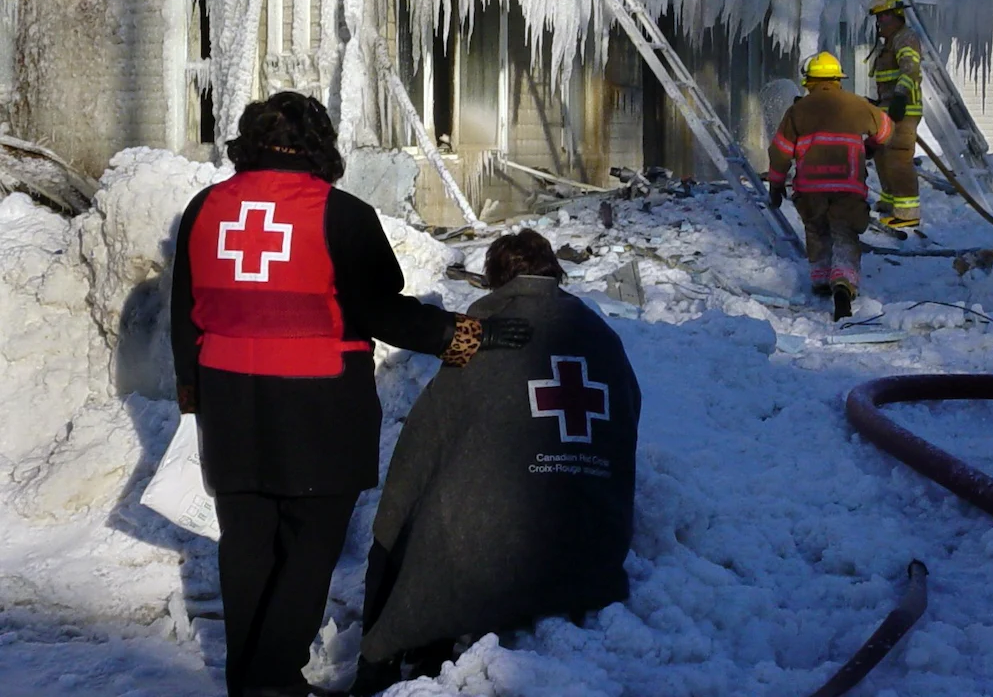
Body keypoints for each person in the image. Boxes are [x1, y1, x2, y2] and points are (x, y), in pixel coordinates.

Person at [170, 91, 533, 697]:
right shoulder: (341, 214)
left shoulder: (205, 207)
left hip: (230, 401)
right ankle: (273, 682)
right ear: (319, 145)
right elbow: (379, 311)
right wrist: (464, 335)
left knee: (247, 544)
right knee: (309, 547)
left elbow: (186, 312)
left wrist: (194, 391)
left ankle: (248, 681)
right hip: (319, 406)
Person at [352, 229, 642, 695]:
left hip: (488, 552)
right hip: (590, 551)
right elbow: (629, 414)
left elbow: (426, 446)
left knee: (412, 520)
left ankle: (385, 661)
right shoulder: (599, 334)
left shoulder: (488, 333)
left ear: (495, 277)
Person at [767, 51, 893, 321]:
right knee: (845, 235)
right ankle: (843, 287)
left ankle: (822, 280)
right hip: (848, 186)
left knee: (817, 230)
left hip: (810, 189)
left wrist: (776, 184)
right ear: (838, 79)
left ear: (809, 81)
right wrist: (867, 146)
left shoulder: (798, 110)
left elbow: (780, 151)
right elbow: (885, 131)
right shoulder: (856, 105)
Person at [867, 0, 924, 230]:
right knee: (882, 154)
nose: (880, 22)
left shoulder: (905, 38)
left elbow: (910, 69)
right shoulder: (889, 43)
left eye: (884, 17)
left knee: (899, 157)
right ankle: (890, 201)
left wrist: (900, 97)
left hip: (904, 110)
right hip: (888, 109)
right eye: (878, 18)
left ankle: (907, 212)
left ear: (897, 15)